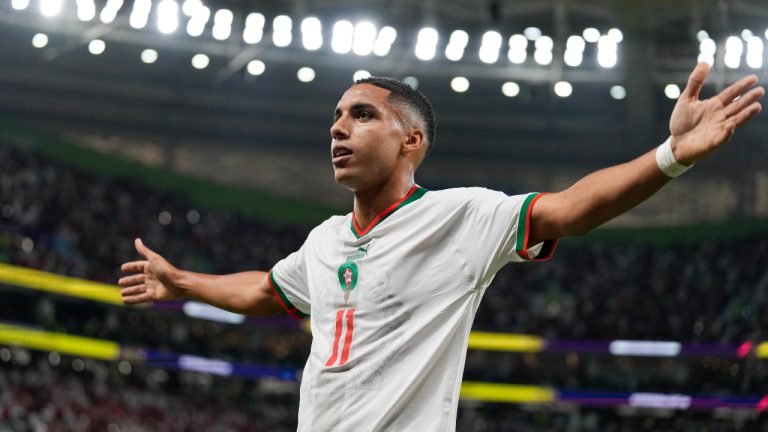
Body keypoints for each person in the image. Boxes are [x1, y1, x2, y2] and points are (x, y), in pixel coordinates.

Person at [119, 62, 763, 431]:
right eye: (336, 118)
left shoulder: (462, 216)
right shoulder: (324, 240)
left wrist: (672, 154)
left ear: (412, 141)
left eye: (362, 115)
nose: (339, 129)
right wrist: (183, 283)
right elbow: (267, 290)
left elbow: (571, 209)